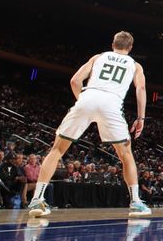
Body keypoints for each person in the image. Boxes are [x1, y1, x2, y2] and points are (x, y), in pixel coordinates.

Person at [28, 31, 150, 217]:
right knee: (126, 155)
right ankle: (135, 202)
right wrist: (141, 118)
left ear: (112, 44)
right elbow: (140, 88)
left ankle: (37, 200)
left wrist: (83, 103)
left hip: (88, 97)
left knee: (57, 150)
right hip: (111, 104)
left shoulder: (98, 57)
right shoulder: (135, 65)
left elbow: (75, 80)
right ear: (130, 48)